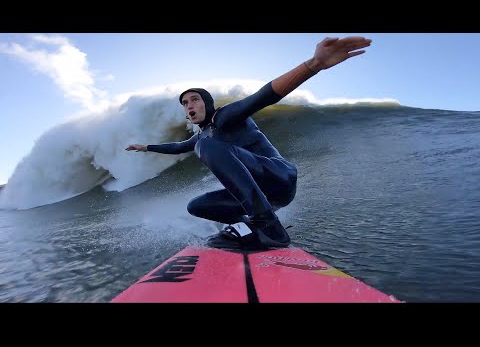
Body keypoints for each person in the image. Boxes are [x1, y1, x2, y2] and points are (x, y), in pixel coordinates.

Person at [126, 36, 372, 250]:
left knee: (205, 146)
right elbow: (178, 147)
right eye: (185, 103)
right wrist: (145, 147)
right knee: (198, 206)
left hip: (279, 177)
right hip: (267, 196)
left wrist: (313, 65)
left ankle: (268, 227)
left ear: (207, 102)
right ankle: (248, 230)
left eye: (195, 99)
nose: (190, 105)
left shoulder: (224, 116)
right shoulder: (203, 135)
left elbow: (262, 97)